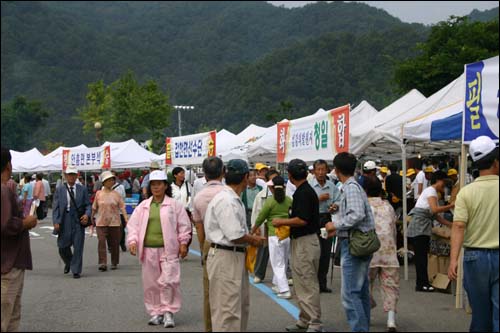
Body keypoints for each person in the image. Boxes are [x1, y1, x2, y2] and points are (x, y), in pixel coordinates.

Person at [205, 159, 265, 332]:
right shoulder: (227, 200)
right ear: (246, 177)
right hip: (226, 256)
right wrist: (253, 240)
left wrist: (249, 237)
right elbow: (235, 235)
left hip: (232, 255)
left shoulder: (230, 198)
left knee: (237, 306)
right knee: (228, 310)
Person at [127, 169, 192, 328]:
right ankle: (156, 312)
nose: (156, 187)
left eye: (159, 184)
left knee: (169, 281)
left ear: (165, 186)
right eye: (153, 185)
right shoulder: (144, 206)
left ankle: (168, 312)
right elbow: (133, 226)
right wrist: (133, 241)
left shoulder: (174, 205)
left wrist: (183, 243)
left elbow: (184, 226)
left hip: (168, 249)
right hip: (148, 250)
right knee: (151, 283)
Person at [448, 136, 499, 332]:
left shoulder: (466, 193)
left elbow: (458, 226)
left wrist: (453, 260)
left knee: (480, 315)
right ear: (495, 162)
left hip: (474, 258)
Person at [325, 152, 376, 332]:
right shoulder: (351, 186)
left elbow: (356, 214)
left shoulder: (351, 187)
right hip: (357, 243)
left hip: (354, 244)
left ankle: (359, 329)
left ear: (337, 170)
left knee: (350, 295)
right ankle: (363, 328)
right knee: (360, 292)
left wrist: (335, 224)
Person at [272, 159, 323, 332]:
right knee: (302, 282)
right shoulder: (305, 190)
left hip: (305, 241)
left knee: (307, 282)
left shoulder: (303, 193)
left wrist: (281, 221)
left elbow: (302, 220)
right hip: (305, 241)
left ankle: (314, 322)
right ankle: (304, 318)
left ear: (290, 175)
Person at [1, 147, 38, 332]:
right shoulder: (3, 190)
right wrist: (26, 222)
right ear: (8, 165)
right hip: (9, 263)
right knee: (8, 317)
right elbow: (6, 224)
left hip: (8, 262)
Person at [191, 156, 226, 333]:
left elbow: (198, 225)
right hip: (229, 243)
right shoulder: (228, 193)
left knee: (209, 291)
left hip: (209, 242)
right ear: (223, 172)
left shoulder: (199, 197)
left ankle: (210, 328)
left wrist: (204, 246)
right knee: (228, 290)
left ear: (204, 175)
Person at [407, 170, 453, 292]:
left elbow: (435, 215)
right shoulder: (431, 191)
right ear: (438, 180)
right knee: (421, 258)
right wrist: (451, 205)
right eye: (444, 183)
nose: (444, 186)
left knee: (422, 257)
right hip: (419, 228)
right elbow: (435, 210)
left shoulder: (431, 192)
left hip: (421, 227)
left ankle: (422, 283)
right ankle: (422, 284)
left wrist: (451, 225)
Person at [364, 176, 400, 332]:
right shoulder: (388, 207)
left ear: (364, 190)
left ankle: (366, 315)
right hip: (389, 251)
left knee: (365, 285)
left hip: (369, 251)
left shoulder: (364, 206)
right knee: (390, 286)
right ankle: (391, 321)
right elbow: (393, 229)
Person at [251, 176, 292, 299]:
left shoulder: (270, 201)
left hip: (274, 235)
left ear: (272, 188)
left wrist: (253, 230)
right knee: (283, 262)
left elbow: (260, 217)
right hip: (287, 235)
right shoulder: (289, 200)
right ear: (284, 187)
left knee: (277, 264)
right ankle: (277, 284)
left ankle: (284, 290)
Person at [52, 166, 92, 279]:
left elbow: (88, 205)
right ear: (65, 176)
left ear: (77, 175)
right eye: (69, 174)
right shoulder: (60, 189)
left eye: (73, 174)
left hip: (78, 220)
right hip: (64, 220)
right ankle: (69, 262)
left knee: (78, 246)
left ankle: (76, 270)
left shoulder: (82, 189)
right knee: (62, 246)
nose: (71, 177)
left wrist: (87, 214)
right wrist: (56, 221)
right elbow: (55, 207)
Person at [309, 159, 342, 293]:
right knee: (313, 253)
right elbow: (305, 204)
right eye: (318, 170)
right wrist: (318, 199)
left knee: (326, 252)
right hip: (313, 220)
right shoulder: (310, 185)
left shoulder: (331, 185)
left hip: (327, 219)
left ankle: (322, 283)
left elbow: (339, 199)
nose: (321, 172)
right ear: (314, 171)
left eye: (323, 169)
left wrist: (335, 206)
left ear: (327, 170)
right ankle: (313, 284)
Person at [92, 171, 128, 271]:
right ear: (103, 182)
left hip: (114, 222)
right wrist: (91, 218)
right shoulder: (99, 194)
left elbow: (122, 207)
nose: (111, 181)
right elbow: (94, 207)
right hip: (101, 222)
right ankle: (102, 263)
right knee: (101, 241)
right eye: (108, 180)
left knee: (114, 243)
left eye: (112, 179)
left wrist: (126, 218)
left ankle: (114, 262)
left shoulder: (116, 194)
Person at [251, 169, 280, 284]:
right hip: (266, 227)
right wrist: (255, 227)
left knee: (281, 254)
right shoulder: (261, 195)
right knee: (263, 251)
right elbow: (256, 213)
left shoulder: (285, 195)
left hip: (280, 228)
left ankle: (283, 276)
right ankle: (259, 273)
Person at [111, 170, 127, 252]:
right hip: (109, 213)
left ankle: (122, 243)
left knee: (121, 229)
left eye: (113, 177)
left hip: (120, 212)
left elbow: (123, 198)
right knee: (109, 230)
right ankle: (111, 246)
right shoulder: (104, 187)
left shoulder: (121, 187)